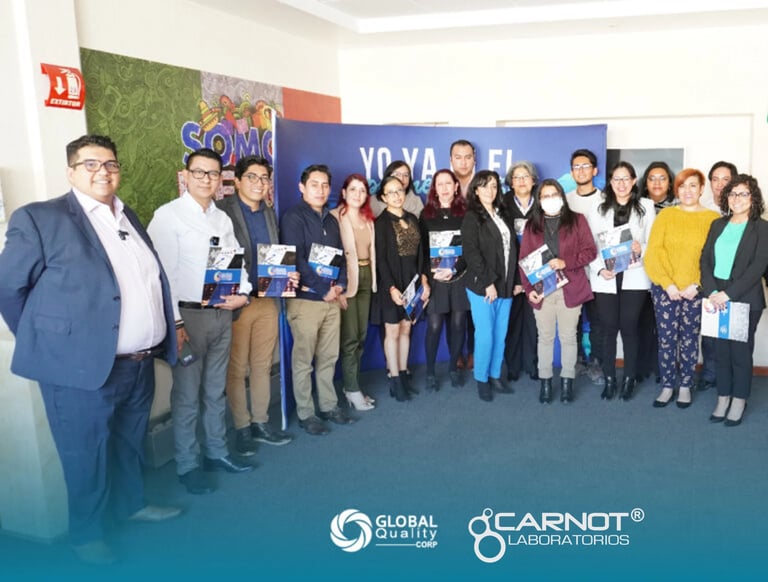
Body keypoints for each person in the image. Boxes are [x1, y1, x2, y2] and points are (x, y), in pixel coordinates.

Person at [0, 135, 180, 565]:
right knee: (85, 454)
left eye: (111, 164)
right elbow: (9, 288)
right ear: (71, 171)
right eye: (91, 164)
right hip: (79, 369)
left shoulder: (126, 214)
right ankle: (87, 535)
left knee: (128, 443)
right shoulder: (41, 218)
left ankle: (131, 505)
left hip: (138, 363)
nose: (103, 172)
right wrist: (50, 342)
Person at [148, 147, 254, 496]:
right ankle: (187, 464)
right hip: (188, 318)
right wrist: (176, 324)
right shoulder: (168, 216)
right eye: (199, 172)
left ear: (221, 179)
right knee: (187, 396)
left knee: (214, 390)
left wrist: (244, 293)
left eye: (213, 174)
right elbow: (162, 276)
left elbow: (236, 264)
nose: (206, 179)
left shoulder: (222, 218)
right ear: (186, 175)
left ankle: (216, 452)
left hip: (222, 313)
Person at [215, 155, 295, 455]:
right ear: (237, 181)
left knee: (262, 365)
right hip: (236, 302)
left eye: (264, 178)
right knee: (237, 369)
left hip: (267, 299)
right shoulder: (222, 211)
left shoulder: (269, 212)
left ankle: (260, 423)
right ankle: (242, 428)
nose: (259, 183)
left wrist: (287, 275)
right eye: (252, 177)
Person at [281, 164, 355, 435]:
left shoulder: (331, 220)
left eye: (325, 185)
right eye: (314, 184)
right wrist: (323, 288)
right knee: (304, 360)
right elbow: (296, 258)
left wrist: (341, 285)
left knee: (328, 357)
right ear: (302, 187)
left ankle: (328, 405)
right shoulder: (293, 217)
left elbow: (340, 257)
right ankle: (306, 413)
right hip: (306, 301)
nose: (320, 190)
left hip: (332, 300)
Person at [644, 168, 719, 409]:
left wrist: (697, 285)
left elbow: (713, 257)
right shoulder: (666, 216)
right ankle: (668, 385)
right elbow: (654, 253)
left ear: (701, 189)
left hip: (695, 291)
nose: (687, 191)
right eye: (683, 186)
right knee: (666, 340)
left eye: (693, 185)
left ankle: (685, 385)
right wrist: (668, 284)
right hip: (666, 290)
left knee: (689, 339)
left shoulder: (712, 219)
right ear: (677, 189)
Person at [520, 179, 597, 404]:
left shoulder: (577, 220)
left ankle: (566, 382)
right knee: (545, 337)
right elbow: (524, 261)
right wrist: (528, 289)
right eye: (545, 196)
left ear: (562, 196)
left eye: (554, 194)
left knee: (568, 337)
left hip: (571, 288)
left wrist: (566, 262)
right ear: (539, 200)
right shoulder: (532, 225)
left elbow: (590, 251)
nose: (550, 199)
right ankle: (545, 382)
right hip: (542, 290)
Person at [700, 175, 768, 426]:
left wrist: (728, 295)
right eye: (732, 193)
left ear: (753, 198)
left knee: (739, 352)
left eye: (743, 194)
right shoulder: (718, 224)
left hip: (744, 298)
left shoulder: (762, 228)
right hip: (715, 296)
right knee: (720, 351)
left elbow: (758, 266)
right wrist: (711, 291)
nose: (737, 199)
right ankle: (723, 397)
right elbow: (705, 260)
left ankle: (739, 399)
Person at [586, 162, 655, 401]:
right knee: (608, 329)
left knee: (629, 328)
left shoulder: (646, 206)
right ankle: (609, 379)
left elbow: (653, 241)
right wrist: (599, 269)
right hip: (606, 276)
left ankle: (628, 379)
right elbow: (591, 245)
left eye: (626, 179)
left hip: (635, 276)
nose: (621, 184)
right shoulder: (598, 208)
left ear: (634, 181)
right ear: (610, 182)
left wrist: (641, 247)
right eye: (617, 179)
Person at [461, 170, 517, 402]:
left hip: (506, 285)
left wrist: (515, 281)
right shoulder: (472, 217)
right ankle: (481, 378)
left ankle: (495, 374)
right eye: (484, 186)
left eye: (494, 186)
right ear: (476, 190)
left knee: (500, 334)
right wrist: (488, 283)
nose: (490, 190)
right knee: (485, 335)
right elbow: (471, 253)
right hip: (483, 286)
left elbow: (512, 250)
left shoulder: (502, 214)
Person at [374, 174, 431, 401]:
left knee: (407, 328)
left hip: (412, 281)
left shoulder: (413, 218)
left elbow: (422, 254)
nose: (396, 195)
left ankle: (404, 374)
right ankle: (395, 379)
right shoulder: (381, 223)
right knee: (393, 331)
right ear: (383, 197)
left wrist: (424, 280)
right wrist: (391, 288)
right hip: (392, 283)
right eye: (391, 192)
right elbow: (381, 260)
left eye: (399, 190)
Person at [419, 169, 469, 391]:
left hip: (459, 277)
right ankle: (430, 372)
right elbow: (421, 251)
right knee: (435, 325)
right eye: (440, 184)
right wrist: (426, 278)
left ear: (456, 186)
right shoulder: (426, 215)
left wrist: (455, 269)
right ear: (434, 189)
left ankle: (453, 368)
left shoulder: (466, 214)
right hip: (436, 279)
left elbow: (470, 248)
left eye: (448, 183)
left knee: (458, 324)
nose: (445, 188)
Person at [331, 173, 378, 411]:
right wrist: (337, 289)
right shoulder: (334, 218)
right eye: (353, 189)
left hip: (366, 277)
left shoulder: (368, 219)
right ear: (344, 192)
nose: (358, 194)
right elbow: (330, 255)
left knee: (361, 335)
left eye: (362, 190)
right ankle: (351, 389)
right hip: (346, 281)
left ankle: (353, 385)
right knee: (349, 338)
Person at [565, 149, 605, 385]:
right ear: (572, 172)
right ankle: (578, 360)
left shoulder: (605, 200)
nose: (581, 171)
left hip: (600, 272)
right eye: (576, 167)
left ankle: (597, 362)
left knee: (598, 321)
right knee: (574, 321)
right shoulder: (565, 201)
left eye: (586, 166)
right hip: (572, 272)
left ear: (595, 170)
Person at [698, 161, 738, 392]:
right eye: (715, 179)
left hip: (736, 282)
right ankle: (710, 374)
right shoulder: (702, 208)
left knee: (734, 333)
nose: (720, 184)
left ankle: (731, 375)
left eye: (725, 179)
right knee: (710, 332)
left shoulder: (742, 208)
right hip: (709, 280)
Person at [502, 161, 539, 383]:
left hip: (537, 272)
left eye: (526, 176)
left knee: (534, 322)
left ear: (533, 181)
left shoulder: (542, 203)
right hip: (511, 274)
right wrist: (516, 279)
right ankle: (513, 366)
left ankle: (532, 364)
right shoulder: (502, 204)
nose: (522, 181)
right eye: (517, 177)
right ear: (511, 183)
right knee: (513, 322)